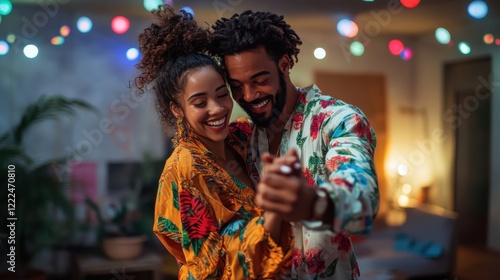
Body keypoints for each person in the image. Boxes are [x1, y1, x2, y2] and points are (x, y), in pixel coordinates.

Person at [209, 10, 379, 279]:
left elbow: (363, 201)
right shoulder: (244, 137)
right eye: (237, 86)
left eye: (260, 80)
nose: (249, 96)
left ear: (285, 64)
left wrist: (310, 202)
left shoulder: (337, 120)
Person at [134, 6, 293, 279]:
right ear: (176, 109)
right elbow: (208, 266)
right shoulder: (184, 170)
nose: (217, 109)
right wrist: (273, 217)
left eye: (222, 94)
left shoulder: (243, 136)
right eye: (199, 102)